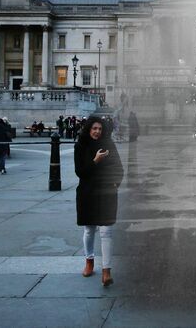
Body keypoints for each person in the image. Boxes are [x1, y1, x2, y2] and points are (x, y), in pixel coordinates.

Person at [75, 116, 124, 287]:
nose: (97, 131)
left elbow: (119, 168)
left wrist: (114, 184)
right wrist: (95, 161)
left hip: (106, 193)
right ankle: (89, 261)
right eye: (94, 128)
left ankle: (106, 271)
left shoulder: (109, 145)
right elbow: (80, 172)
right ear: (89, 129)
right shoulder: (81, 146)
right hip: (88, 192)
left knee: (106, 232)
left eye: (100, 129)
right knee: (89, 230)